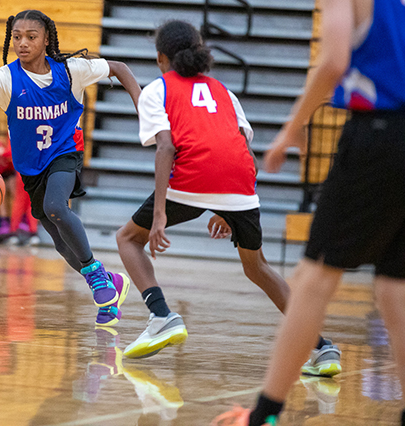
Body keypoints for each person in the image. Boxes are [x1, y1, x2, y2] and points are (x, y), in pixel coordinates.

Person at [214, 0, 405, 425]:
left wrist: (292, 128)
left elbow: (334, 57)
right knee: (395, 283)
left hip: (379, 134)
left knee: (317, 277)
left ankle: (265, 414)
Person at [115, 21, 340, 372]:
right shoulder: (222, 91)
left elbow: (166, 146)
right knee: (259, 268)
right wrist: (228, 204)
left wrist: (160, 212)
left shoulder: (158, 90)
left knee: (128, 239)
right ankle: (321, 348)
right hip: (240, 183)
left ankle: (161, 315)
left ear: (161, 58)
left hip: (192, 177)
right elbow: (241, 146)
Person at [0, 9, 140, 327]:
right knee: (58, 238)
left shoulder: (71, 71)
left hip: (65, 152)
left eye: (31, 37)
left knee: (56, 206)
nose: (22, 43)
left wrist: (142, 105)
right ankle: (109, 283)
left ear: (46, 40)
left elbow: (120, 68)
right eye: (17, 37)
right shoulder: (4, 78)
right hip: (30, 166)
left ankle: (97, 278)